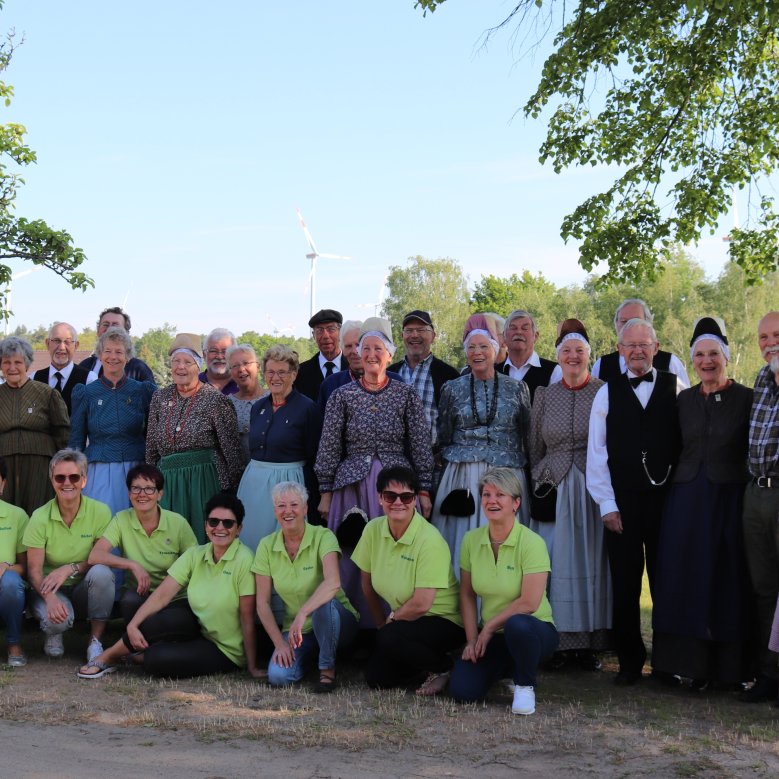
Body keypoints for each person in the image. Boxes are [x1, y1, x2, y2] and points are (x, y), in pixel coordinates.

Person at [651, 317, 753, 689]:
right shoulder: (684, 400)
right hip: (687, 500)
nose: (707, 361)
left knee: (726, 579)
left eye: (714, 354)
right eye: (700, 355)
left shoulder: (746, 398)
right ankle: (688, 667)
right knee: (686, 578)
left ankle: (729, 672)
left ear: (726, 358)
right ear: (692, 360)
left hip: (729, 498)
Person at [315, 318, 433, 622]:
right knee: (354, 553)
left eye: (378, 348)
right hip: (352, 486)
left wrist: (423, 490)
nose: (370, 354)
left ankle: (399, 620)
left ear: (390, 355)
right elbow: (329, 446)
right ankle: (357, 623)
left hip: (396, 487)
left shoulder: (405, 394)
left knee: (395, 553)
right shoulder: (342, 396)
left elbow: (420, 443)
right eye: (365, 348)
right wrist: (326, 492)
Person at [586, 318, 681, 685]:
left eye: (644, 344)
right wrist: (606, 505)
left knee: (665, 584)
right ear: (620, 350)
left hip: (666, 502)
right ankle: (629, 662)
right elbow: (596, 455)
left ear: (656, 348)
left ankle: (667, 664)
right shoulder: (606, 393)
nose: (637, 351)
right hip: (621, 503)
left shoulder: (677, 388)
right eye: (630, 345)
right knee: (625, 586)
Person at [79, 493, 261, 679]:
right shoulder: (196, 554)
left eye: (228, 523)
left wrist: (252, 665)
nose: (219, 528)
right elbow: (161, 595)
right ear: (206, 525)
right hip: (201, 631)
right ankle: (107, 657)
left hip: (226, 649)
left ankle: (134, 656)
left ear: (239, 529)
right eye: (213, 522)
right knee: (157, 620)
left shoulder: (244, 560)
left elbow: (247, 618)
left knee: (156, 660)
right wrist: (132, 626)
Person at [528, 319, 611, 668]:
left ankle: (591, 643)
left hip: (593, 486)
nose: (573, 356)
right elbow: (534, 445)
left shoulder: (604, 390)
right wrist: (537, 484)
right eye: (566, 351)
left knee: (593, 559)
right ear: (558, 357)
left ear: (588, 355)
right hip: (554, 486)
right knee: (554, 561)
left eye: (579, 351)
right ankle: (557, 639)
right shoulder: (546, 395)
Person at [449, 468, 558, 715]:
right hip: (494, 637)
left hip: (534, 630)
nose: (492, 500)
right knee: (462, 691)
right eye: (486, 494)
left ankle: (524, 684)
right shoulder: (470, 540)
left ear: (516, 503)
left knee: (518, 624)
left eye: (500, 495)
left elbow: (529, 603)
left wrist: (487, 628)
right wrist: (472, 639)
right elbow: (466, 594)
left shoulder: (532, 543)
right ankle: (507, 669)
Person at [76, 464, 199, 678]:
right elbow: (95, 556)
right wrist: (132, 564)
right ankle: (139, 648)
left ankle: (129, 651)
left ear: (160, 494)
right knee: (129, 599)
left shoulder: (178, 523)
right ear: (129, 493)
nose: (142, 494)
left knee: (170, 620)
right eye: (136, 488)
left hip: (174, 598)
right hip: (141, 595)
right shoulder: (122, 519)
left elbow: (196, 566)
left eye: (149, 489)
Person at [432, 314, 531, 576]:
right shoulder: (451, 389)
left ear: (496, 350)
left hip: (507, 474)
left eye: (484, 347)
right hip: (462, 476)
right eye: (472, 347)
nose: (478, 353)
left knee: (507, 544)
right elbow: (443, 435)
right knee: (461, 543)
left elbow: (527, 435)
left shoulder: (517, 388)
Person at [352, 466, 464, 693]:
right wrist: (380, 624)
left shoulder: (429, 540)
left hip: (443, 620)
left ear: (415, 500)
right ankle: (425, 664)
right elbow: (367, 585)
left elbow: (422, 604)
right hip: (404, 623)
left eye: (406, 496)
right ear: (379, 498)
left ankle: (444, 667)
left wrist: (390, 624)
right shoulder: (372, 530)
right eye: (390, 496)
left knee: (390, 638)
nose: (398, 502)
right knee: (377, 679)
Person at [253, 481, 359, 691]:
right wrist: (280, 644)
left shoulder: (323, 536)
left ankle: (327, 671)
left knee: (324, 605)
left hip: (336, 621)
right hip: (298, 632)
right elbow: (262, 603)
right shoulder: (266, 545)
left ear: (305, 508)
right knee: (278, 677)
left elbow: (333, 583)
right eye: (281, 506)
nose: (288, 511)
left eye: (294, 504)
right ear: (275, 511)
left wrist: (303, 613)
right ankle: (312, 657)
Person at [146, 334, 244, 543]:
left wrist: (230, 492)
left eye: (187, 362)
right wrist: (152, 482)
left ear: (198, 367)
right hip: (169, 482)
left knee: (201, 539)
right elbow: (151, 448)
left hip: (204, 481)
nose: (180, 367)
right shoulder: (159, 398)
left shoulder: (215, 400)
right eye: (176, 362)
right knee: (168, 541)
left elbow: (232, 452)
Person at [23, 449, 114, 662]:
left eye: (74, 477)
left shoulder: (100, 511)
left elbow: (99, 557)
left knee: (102, 572)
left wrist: (69, 568)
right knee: (57, 621)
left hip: (84, 586)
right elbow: (34, 571)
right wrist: (50, 597)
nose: (67, 483)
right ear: (51, 480)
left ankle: (95, 641)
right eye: (60, 477)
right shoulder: (39, 517)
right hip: (48, 587)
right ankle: (55, 632)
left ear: (84, 480)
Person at [237, 345, 322, 553]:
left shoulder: (307, 408)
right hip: (254, 483)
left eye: (282, 372)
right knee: (251, 539)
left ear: (294, 375)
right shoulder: (258, 407)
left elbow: (315, 455)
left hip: (289, 482)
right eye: (270, 372)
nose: (275, 377)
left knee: (284, 543)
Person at [68, 327, 156, 516]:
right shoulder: (86, 393)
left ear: (128, 356)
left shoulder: (142, 391)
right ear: (100, 355)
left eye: (119, 351)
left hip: (137, 470)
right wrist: (74, 474)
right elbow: (76, 441)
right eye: (107, 351)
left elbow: (153, 435)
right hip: (98, 471)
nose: (112, 357)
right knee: (103, 524)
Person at [740, 310, 779, 702]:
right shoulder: (761, 379)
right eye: (764, 337)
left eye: (777, 335)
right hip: (757, 493)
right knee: (764, 588)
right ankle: (768, 674)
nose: (770, 342)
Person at [0, 336, 70, 515]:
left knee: (38, 513)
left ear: (28, 364)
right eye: (6, 362)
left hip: (39, 467)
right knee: (5, 515)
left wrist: (61, 467)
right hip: (3, 466)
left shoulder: (46, 393)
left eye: (18, 362)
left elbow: (62, 432)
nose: (12, 367)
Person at [388, 310, 460, 451]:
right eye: (409, 330)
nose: (415, 335)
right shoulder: (390, 373)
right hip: (394, 458)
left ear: (433, 336)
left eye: (421, 330)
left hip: (434, 460)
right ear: (402, 336)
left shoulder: (449, 375)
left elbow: (457, 422)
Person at [592, 298, 690, 387]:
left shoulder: (670, 363)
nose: (630, 326)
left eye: (636, 320)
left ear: (649, 324)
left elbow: (687, 402)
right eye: (624, 321)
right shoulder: (601, 365)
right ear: (616, 325)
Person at [318, 320, 404, 413]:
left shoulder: (397, 383)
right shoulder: (331, 384)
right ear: (343, 350)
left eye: (358, 345)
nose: (354, 351)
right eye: (348, 346)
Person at [0, 456, 29, 667]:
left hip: (5, 589)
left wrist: (7, 568)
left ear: (2, 483)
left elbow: (26, 567)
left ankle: (14, 643)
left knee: (11, 581)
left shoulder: (17, 516)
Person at [496, 310, 561, 401]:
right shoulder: (493, 373)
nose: (518, 332)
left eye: (525, 328)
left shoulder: (554, 372)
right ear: (504, 336)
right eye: (513, 328)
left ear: (536, 336)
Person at [79, 307, 155, 383]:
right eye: (105, 324)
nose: (110, 329)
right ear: (98, 330)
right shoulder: (85, 366)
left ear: (126, 333)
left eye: (115, 325)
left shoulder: (138, 369)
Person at [32, 322, 89, 415]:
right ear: (47, 343)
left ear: (76, 346)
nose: (62, 347)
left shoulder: (89, 379)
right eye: (57, 341)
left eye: (67, 342)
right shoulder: (34, 378)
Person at [294, 309, 348, 401]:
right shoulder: (301, 373)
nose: (325, 336)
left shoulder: (354, 369)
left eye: (331, 329)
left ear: (340, 332)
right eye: (319, 330)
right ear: (313, 335)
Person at [226, 343, 267, 459]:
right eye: (235, 366)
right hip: (239, 473)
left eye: (246, 363)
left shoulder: (273, 398)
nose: (241, 369)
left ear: (258, 367)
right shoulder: (226, 404)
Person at [199, 328, 239, 395]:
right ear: (204, 355)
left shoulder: (243, 386)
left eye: (225, 351)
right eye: (213, 351)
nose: (219, 357)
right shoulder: (192, 384)